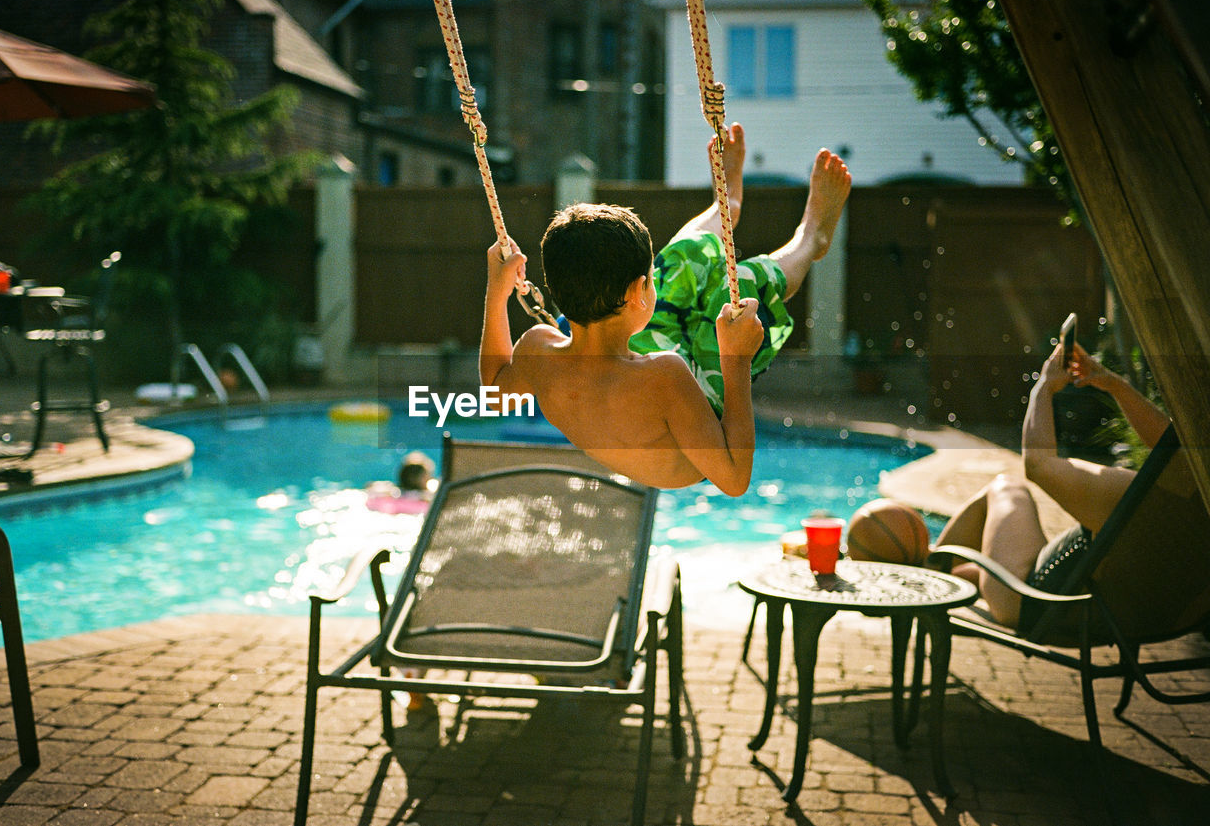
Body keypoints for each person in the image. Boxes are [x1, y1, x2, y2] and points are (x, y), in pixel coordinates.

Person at [480, 123, 851, 495]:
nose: (653, 280)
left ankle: (728, 204)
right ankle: (811, 237)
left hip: (635, 373)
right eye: (650, 277)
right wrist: (735, 358)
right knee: (740, 287)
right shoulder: (665, 377)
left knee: (684, 258)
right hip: (700, 437)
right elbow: (734, 478)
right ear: (638, 291)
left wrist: (498, 290)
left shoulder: (538, 350)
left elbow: (495, 391)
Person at [933, 340, 1171, 628]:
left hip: (1030, 602)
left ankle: (923, 577)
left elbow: (1038, 465)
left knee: (1007, 488)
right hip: (1145, 617)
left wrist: (1044, 385)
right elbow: (1173, 448)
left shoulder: (1132, 496)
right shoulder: (1192, 505)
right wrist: (1113, 384)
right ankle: (940, 572)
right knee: (971, 572)